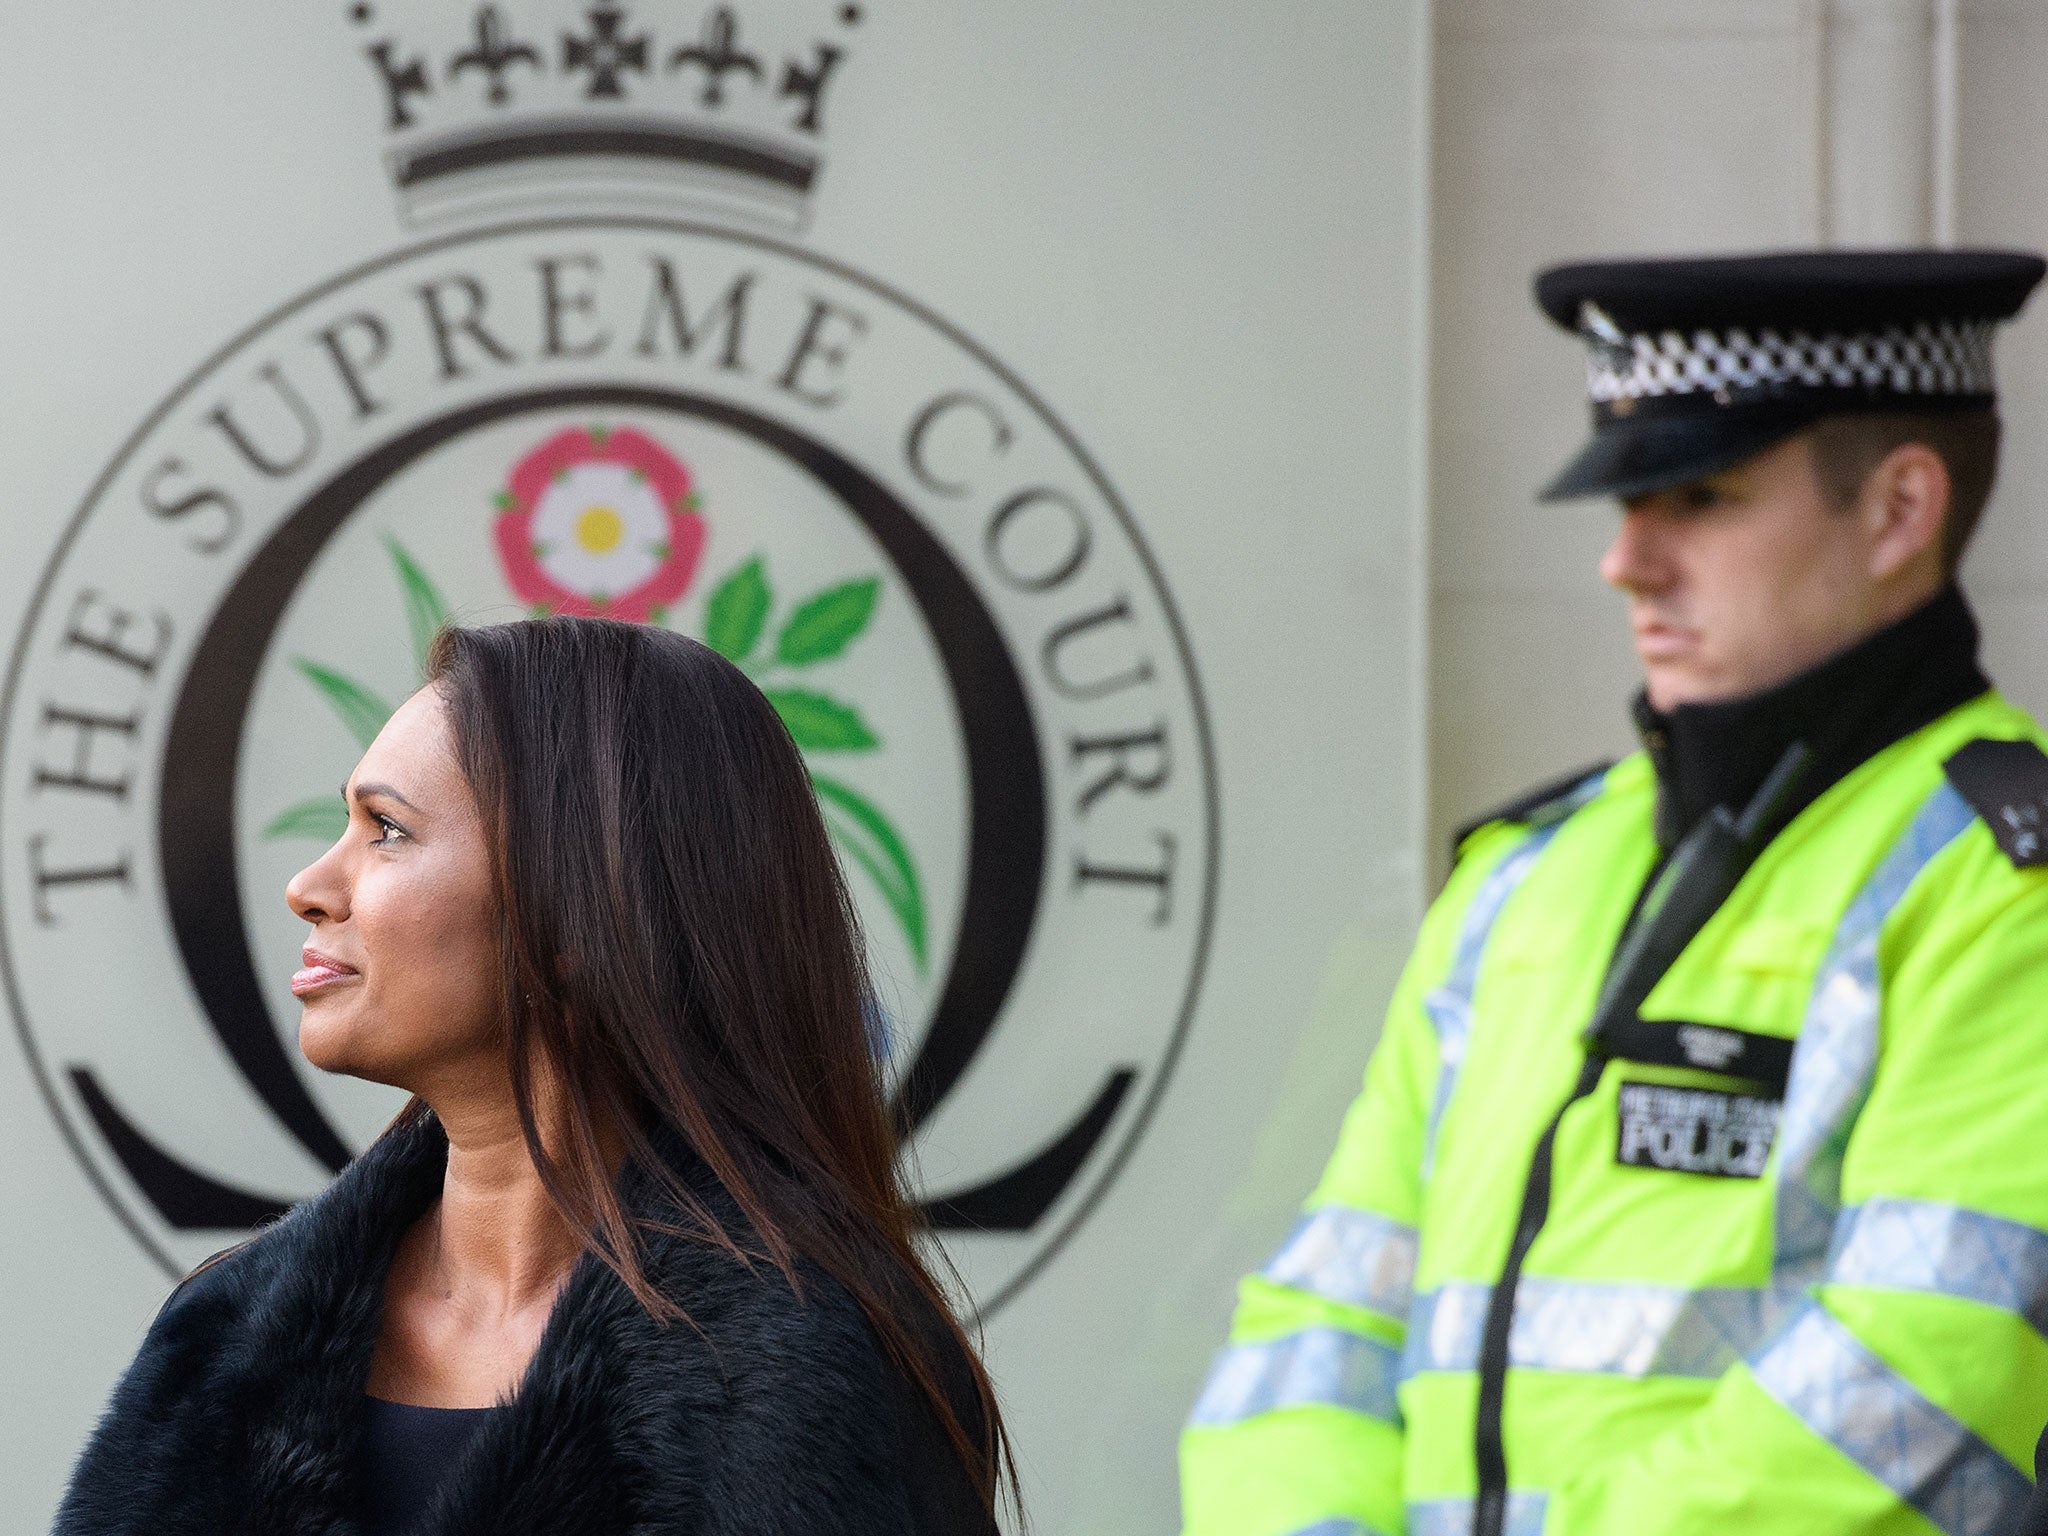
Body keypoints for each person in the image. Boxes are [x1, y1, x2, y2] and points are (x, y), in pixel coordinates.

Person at [1180, 249, 2048, 1536]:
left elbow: (1924, 1373)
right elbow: (1322, 1313)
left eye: (1695, 497)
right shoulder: (1522, 874)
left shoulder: (1998, 885)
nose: (1624, 562)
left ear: (1898, 510)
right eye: (1623, 507)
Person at [54, 617, 1010, 1536]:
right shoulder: (219, 1341)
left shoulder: (806, 1381)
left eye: (385, 829)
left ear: (577, 913)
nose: (309, 884)